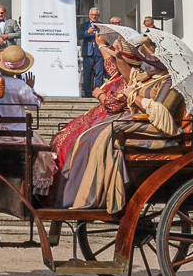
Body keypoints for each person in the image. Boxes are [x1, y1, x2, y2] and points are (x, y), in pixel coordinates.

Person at [57, 37, 187, 213]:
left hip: (154, 128)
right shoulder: (151, 76)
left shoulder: (171, 81)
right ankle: (78, 192)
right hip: (136, 120)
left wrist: (134, 97)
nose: (146, 61)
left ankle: (99, 194)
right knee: (87, 135)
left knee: (107, 135)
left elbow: (160, 111)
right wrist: (118, 56)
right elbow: (129, 76)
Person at [51, 34, 132, 192]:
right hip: (99, 116)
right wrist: (101, 45)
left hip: (109, 117)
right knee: (62, 138)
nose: (114, 62)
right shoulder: (120, 75)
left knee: (72, 142)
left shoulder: (129, 79)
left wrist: (100, 95)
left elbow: (114, 105)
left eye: (118, 59)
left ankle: (73, 189)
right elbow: (111, 66)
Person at [0, 45, 55, 197]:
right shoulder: (19, 85)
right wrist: (31, 88)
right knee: (45, 153)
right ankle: (36, 193)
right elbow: (34, 106)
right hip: (17, 132)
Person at [78, 7, 104, 95]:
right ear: (89, 15)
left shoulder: (102, 25)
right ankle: (88, 94)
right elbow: (79, 36)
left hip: (99, 52)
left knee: (99, 74)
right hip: (88, 53)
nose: (94, 16)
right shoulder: (84, 25)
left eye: (96, 15)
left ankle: (98, 93)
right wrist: (87, 32)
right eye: (92, 15)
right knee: (87, 74)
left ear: (99, 16)